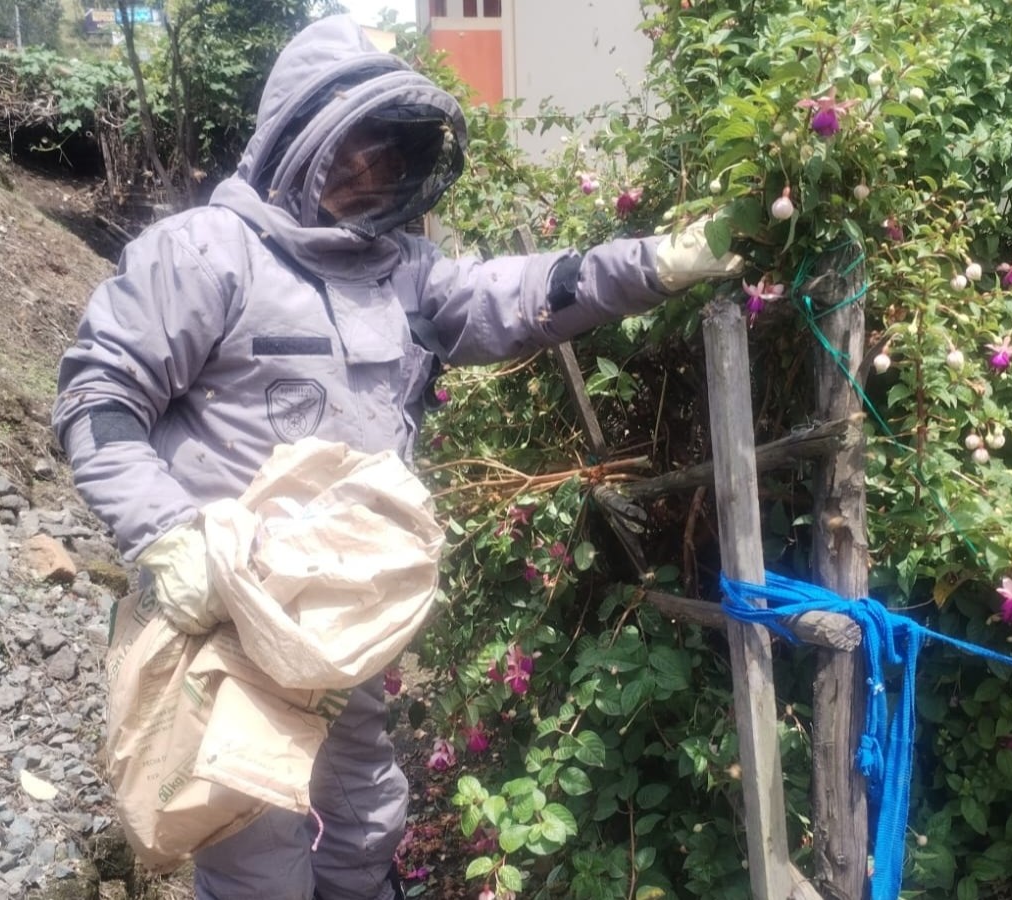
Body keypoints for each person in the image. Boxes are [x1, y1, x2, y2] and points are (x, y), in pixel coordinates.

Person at [52, 14, 740, 900]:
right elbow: (98, 401)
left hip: (347, 614)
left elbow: (524, 291)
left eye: (386, 157)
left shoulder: (405, 270)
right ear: (294, 141)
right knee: (256, 840)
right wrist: (168, 536)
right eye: (349, 154)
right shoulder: (202, 255)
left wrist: (662, 260)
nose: (365, 174)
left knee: (366, 811)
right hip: (231, 615)